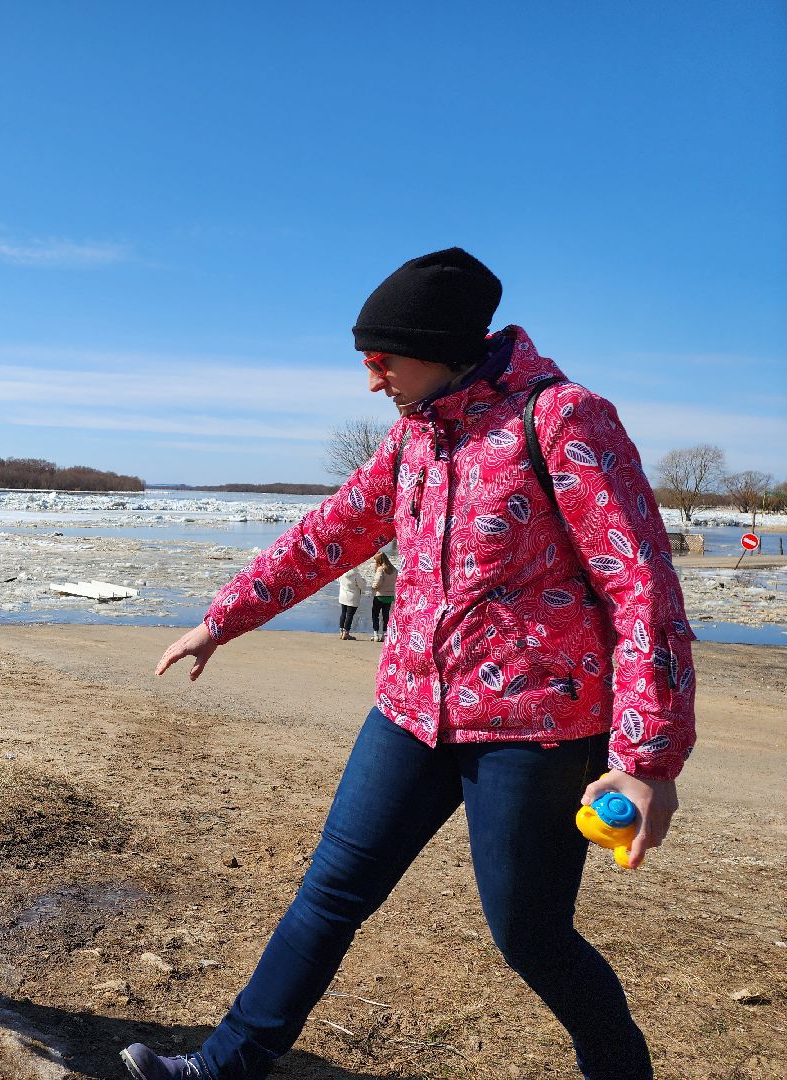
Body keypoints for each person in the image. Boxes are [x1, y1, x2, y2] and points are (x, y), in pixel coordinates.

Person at [122, 248, 694, 1080]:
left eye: (380, 360)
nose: (370, 379)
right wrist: (222, 620)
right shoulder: (414, 438)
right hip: (408, 711)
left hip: (535, 728)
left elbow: (640, 586)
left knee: (529, 935)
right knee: (329, 893)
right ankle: (220, 1067)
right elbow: (330, 533)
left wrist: (645, 759)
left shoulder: (563, 419)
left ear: (443, 345)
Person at [370, 551, 397, 643]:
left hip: (379, 595)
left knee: (375, 615)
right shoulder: (394, 569)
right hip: (389, 595)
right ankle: (384, 634)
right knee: (385, 616)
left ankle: (376, 634)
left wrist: (373, 586)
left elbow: (378, 581)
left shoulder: (381, 569)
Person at [335, 565, 365, 640]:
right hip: (352, 597)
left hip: (343, 595)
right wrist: (364, 580)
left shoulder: (341, 572)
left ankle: (341, 631)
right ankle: (346, 633)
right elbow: (362, 586)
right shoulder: (356, 575)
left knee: (343, 613)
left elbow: (337, 580)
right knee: (349, 615)